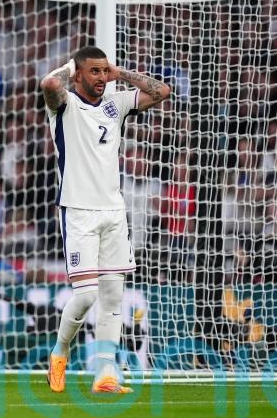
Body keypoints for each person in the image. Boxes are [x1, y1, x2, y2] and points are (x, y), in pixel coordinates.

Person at [41, 46, 170, 394]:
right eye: (94, 71)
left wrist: (120, 73)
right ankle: (60, 352)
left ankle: (105, 373)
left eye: (104, 71)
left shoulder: (116, 104)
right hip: (78, 212)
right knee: (85, 297)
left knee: (114, 297)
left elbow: (162, 91)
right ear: (78, 74)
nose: (101, 77)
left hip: (113, 212)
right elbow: (50, 83)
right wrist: (73, 66)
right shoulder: (64, 105)